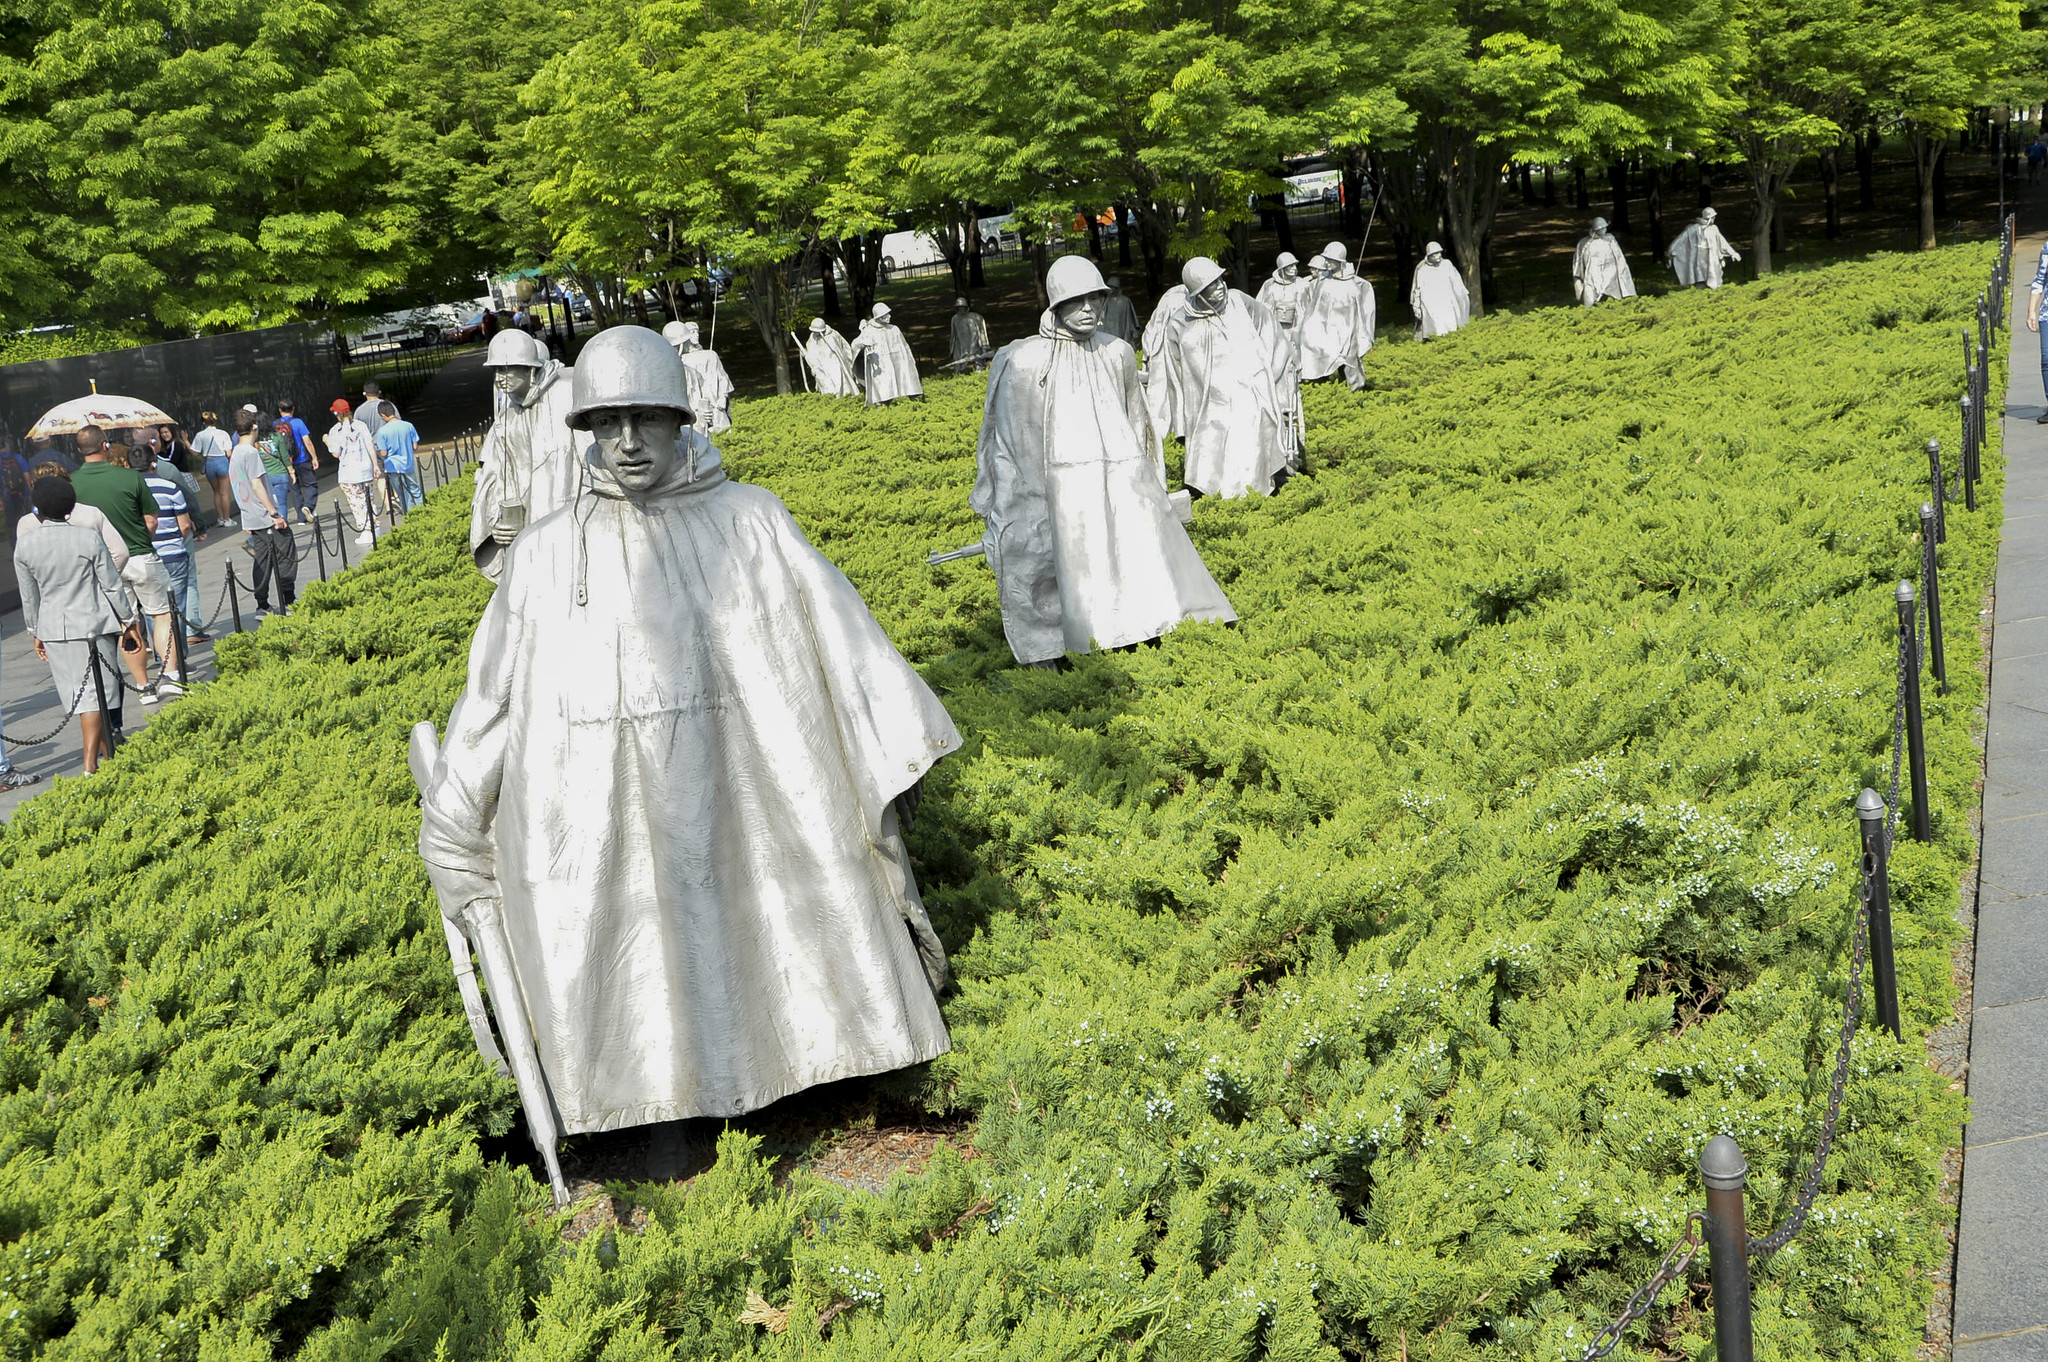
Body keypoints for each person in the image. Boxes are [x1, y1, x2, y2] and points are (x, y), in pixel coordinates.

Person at [412, 325, 960, 1200]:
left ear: (681, 417)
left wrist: (891, 739)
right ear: (586, 427)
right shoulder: (548, 553)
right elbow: (495, 698)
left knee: (763, 916)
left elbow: (843, 645)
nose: (627, 442)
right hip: (609, 799)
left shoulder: (752, 520)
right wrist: (454, 821)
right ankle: (658, 1108)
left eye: (647, 419)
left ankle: (822, 1068)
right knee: (645, 943)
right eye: (608, 422)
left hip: (751, 785)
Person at [971, 255, 1236, 666]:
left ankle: (1141, 623)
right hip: (1058, 483)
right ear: (1055, 305)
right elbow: (1013, 438)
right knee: (1053, 558)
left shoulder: (1117, 352)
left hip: (1119, 474)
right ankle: (1052, 643)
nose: (1089, 309)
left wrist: (1147, 480)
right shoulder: (1025, 362)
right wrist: (1017, 495)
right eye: (1077, 301)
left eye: (1095, 299)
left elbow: (1138, 422)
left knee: (1131, 547)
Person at [1147, 257, 1294, 499]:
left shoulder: (1238, 301)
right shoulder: (1178, 323)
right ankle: (1212, 494)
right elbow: (1174, 372)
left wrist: (1267, 371)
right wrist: (1181, 420)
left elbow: (1268, 325)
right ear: (1197, 293)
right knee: (1210, 449)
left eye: (1220, 281)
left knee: (1254, 441)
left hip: (1249, 391)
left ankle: (1262, 489)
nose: (1219, 289)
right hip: (1208, 403)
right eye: (1210, 287)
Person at [15, 477, 133, 775]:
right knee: (97, 697)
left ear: (37, 508)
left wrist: (35, 631)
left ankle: (110, 761)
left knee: (80, 697)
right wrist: (128, 620)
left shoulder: (25, 545)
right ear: (70, 506)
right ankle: (89, 764)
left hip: (54, 628)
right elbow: (111, 585)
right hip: (94, 622)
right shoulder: (88, 538)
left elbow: (29, 597)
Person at [71, 426, 181, 701]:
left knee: (126, 624)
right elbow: (151, 520)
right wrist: (144, 537)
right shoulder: (130, 476)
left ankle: (143, 687)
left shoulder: (72, 484)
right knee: (162, 616)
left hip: (104, 566)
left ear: (79, 450)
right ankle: (170, 676)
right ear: (105, 445)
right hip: (141, 555)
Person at [471, 329, 578, 580]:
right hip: (526, 533)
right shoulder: (507, 419)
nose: (500, 378)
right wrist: (496, 520)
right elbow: (496, 475)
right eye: (496, 371)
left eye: (507, 369)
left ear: (529, 369)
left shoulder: (566, 396)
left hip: (570, 525)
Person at [135, 447, 206, 645]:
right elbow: (184, 525)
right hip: (173, 553)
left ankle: (162, 657)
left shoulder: (129, 491)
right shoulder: (170, 486)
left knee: (153, 610)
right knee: (178, 606)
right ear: (153, 463)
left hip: (145, 556)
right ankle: (180, 654)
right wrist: (178, 540)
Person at [229, 412, 295, 613]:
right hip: (264, 515)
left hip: (251, 515)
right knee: (285, 550)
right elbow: (256, 484)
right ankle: (289, 600)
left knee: (262, 559)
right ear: (254, 427)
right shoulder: (250, 453)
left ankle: (262, 605)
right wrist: (274, 513)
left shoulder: (235, 453)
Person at [1297, 241, 1375, 389]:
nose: (1327, 263)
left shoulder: (1356, 285)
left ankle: (1357, 391)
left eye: (1330, 260)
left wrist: (1363, 335)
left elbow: (1364, 312)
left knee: (1350, 364)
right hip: (1326, 332)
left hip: (1348, 333)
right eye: (1326, 259)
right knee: (1320, 358)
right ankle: (1322, 389)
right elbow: (1314, 309)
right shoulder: (1323, 282)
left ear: (1340, 261)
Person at [663, 320, 734, 432]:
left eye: (697, 332)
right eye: (692, 332)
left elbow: (722, 378)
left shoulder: (709, 356)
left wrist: (722, 397)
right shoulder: (677, 368)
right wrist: (698, 412)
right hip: (688, 423)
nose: (695, 335)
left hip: (710, 410)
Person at [325, 398, 379, 545]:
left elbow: (336, 453)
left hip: (348, 473)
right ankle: (375, 526)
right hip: (365, 469)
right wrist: (375, 465)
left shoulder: (336, 430)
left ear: (336, 413)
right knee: (369, 499)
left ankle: (366, 530)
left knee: (356, 503)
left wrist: (327, 441)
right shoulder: (361, 425)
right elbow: (370, 445)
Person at [850, 304, 923, 405]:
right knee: (884, 386)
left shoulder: (894, 329)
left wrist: (909, 360)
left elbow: (905, 346)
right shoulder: (869, 330)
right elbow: (855, 344)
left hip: (898, 361)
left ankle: (911, 400)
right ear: (878, 317)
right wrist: (863, 343)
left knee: (903, 379)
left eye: (888, 314)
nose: (889, 316)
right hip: (880, 364)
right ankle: (881, 404)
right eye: (885, 315)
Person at [1410, 241, 1471, 338]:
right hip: (1431, 304)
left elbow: (1456, 281)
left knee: (1450, 326)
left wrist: (1462, 293)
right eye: (1435, 254)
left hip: (1447, 301)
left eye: (1439, 253)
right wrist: (1416, 306)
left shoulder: (1447, 265)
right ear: (1429, 255)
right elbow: (1417, 289)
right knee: (1436, 327)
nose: (1438, 256)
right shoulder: (1422, 269)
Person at [1573, 217, 1638, 306]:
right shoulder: (1585, 243)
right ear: (1596, 229)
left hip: (1610, 272)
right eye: (1601, 228)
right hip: (1593, 272)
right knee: (1590, 291)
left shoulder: (1610, 239)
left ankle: (1612, 304)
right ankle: (1589, 311)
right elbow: (1579, 260)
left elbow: (1619, 257)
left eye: (1605, 228)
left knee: (1611, 291)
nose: (1604, 230)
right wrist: (1578, 280)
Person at [1668, 209, 1740, 289]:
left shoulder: (1714, 229)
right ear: (1709, 218)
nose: (1714, 219)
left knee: (1714, 279)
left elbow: (1722, 241)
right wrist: (1671, 250)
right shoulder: (1694, 229)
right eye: (1713, 217)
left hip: (1712, 258)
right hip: (1700, 260)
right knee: (1700, 281)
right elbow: (1681, 239)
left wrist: (1733, 253)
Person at [276, 401, 320, 521]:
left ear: (280, 410)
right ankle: (308, 506)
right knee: (311, 484)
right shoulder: (298, 422)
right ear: (293, 409)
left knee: (295, 490)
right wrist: (314, 457)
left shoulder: (275, 424)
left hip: (286, 463)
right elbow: (307, 441)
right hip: (301, 459)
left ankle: (301, 519)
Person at [191, 411, 235, 529]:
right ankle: (227, 519)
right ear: (215, 421)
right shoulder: (223, 433)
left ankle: (220, 518)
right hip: (221, 461)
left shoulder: (200, 435)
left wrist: (185, 441)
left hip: (209, 463)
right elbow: (229, 453)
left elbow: (195, 453)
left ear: (203, 422)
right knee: (224, 493)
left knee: (216, 492)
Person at [375, 403, 423, 510]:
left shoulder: (382, 432)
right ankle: (422, 510)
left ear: (383, 415)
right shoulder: (408, 425)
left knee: (402, 493)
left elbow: (383, 453)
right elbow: (415, 446)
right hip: (408, 463)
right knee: (415, 489)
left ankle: (409, 514)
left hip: (393, 466)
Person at [801, 318, 862, 397]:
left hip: (834, 364)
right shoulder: (813, 337)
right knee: (825, 385)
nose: (815, 333)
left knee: (839, 383)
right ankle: (829, 399)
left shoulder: (832, 335)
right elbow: (812, 350)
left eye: (817, 331)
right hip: (821, 366)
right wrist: (806, 354)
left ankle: (843, 397)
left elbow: (842, 348)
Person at [947, 296, 992, 370]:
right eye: (959, 307)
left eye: (962, 307)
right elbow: (953, 335)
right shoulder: (954, 319)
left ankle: (979, 371)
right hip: (960, 346)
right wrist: (952, 348)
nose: (961, 309)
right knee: (957, 363)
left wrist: (972, 349)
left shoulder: (970, 320)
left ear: (966, 307)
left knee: (978, 361)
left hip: (971, 345)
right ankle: (958, 376)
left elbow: (974, 335)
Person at [1100, 277, 1142, 347]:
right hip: (1106, 334)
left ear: (1117, 288)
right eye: (1109, 287)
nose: (1111, 290)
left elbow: (1131, 319)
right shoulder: (1104, 301)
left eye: (1113, 287)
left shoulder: (1125, 301)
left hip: (1121, 333)